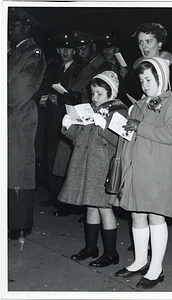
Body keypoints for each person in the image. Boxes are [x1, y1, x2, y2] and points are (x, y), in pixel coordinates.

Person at [113, 57, 172, 289]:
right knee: (137, 215)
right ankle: (140, 260)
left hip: (158, 170)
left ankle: (156, 268)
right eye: (141, 80)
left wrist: (139, 127)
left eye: (149, 79)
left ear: (161, 78)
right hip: (138, 168)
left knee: (156, 216)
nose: (144, 84)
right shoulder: (140, 103)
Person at [58, 71, 128, 267]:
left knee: (104, 209)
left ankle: (111, 253)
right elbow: (80, 136)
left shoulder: (118, 111)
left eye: (99, 93)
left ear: (110, 93)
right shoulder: (90, 109)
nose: (94, 98)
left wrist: (103, 126)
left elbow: (121, 140)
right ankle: (91, 247)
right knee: (90, 206)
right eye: (92, 93)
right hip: (85, 164)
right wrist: (68, 127)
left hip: (102, 166)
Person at [8, 8, 46, 239]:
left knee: (19, 169)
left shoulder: (33, 52)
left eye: (15, 25)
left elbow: (21, 87)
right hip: (10, 114)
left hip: (19, 115)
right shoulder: (13, 52)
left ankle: (20, 224)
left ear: (27, 28)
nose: (10, 28)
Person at [37, 33, 80, 217]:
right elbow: (44, 87)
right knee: (51, 155)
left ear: (74, 51)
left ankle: (66, 200)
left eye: (68, 48)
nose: (65, 51)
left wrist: (61, 100)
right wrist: (43, 100)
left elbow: (79, 94)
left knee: (66, 158)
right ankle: (54, 195)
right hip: (52, 117)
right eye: (62, 48)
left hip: (68, 119)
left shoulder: (79, 70)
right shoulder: (54, 68)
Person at [64, 31, 114, 104]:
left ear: (93, 47)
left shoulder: (106, 67)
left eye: (83, 49)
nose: (80, 53)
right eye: (78, 50)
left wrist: (77, 98)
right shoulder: (78, 66)